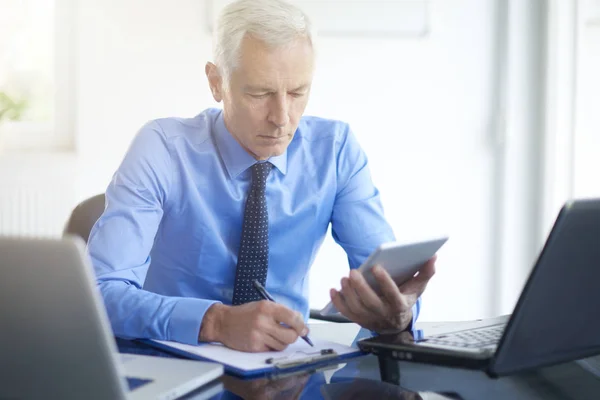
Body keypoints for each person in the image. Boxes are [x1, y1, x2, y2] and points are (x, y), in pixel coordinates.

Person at [88, 0, 436, 353]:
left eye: (298, 93)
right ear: (216, 82)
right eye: (260, 93)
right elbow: (99, 291)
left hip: (286, 367)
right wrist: (215, 321)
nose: (282, 117)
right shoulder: (162, 148)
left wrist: (399, 315)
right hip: (171, 360)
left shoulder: (335, 151)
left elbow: (386, 283)